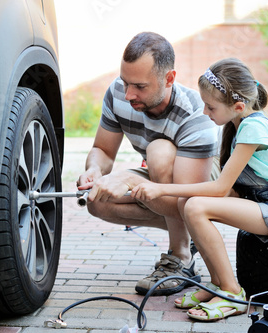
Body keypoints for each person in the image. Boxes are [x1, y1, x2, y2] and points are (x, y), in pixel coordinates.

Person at [130, 57, 268, 321]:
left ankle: (233, 293)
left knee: (196, 206)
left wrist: (160, 188)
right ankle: (216, 283)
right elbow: (229, 186)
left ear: (237, 106)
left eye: (210, 107)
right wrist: (176, 193)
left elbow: (221, 188)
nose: (204, 112)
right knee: (185, 202)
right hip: (258, 199)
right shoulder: (237, 122)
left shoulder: (254, 127)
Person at [76, 32, 222, 296]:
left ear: (169, 79)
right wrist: (95, 169)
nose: (129, 94)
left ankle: (181, 257)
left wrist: (131, 181)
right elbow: (103, 150)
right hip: (167, 184)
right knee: (97, 200)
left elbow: (185, 200)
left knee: (159, 149)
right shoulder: (118, 94)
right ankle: (195, 234)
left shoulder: (195, 114)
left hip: (201, 185)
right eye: (125, 82)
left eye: (140, 87)